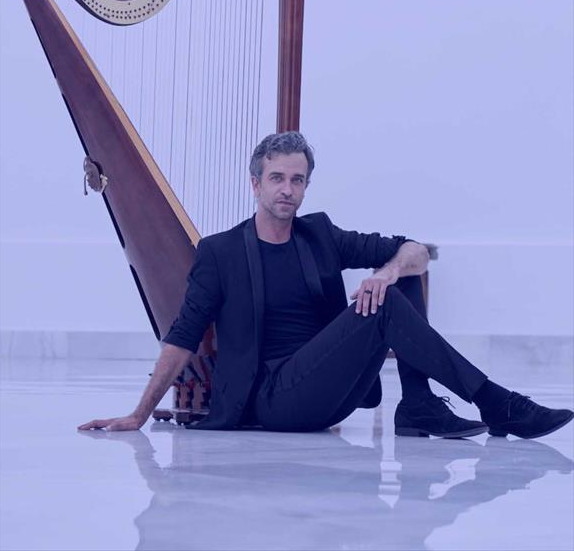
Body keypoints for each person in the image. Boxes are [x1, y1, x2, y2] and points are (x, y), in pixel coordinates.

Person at [79, 132, 573, 439]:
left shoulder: (320, 235)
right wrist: (138, 413)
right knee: (383, 299)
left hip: (330, 389)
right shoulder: (221, 252)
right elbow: (183, 335)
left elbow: (418, 250)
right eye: (277, 178)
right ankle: (496, 403)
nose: (287, 189)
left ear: (306, 186)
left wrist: (387, 271)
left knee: (398, 273)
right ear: (256, 184)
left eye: (297, 180)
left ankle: (418, 405)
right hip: (271, 398)